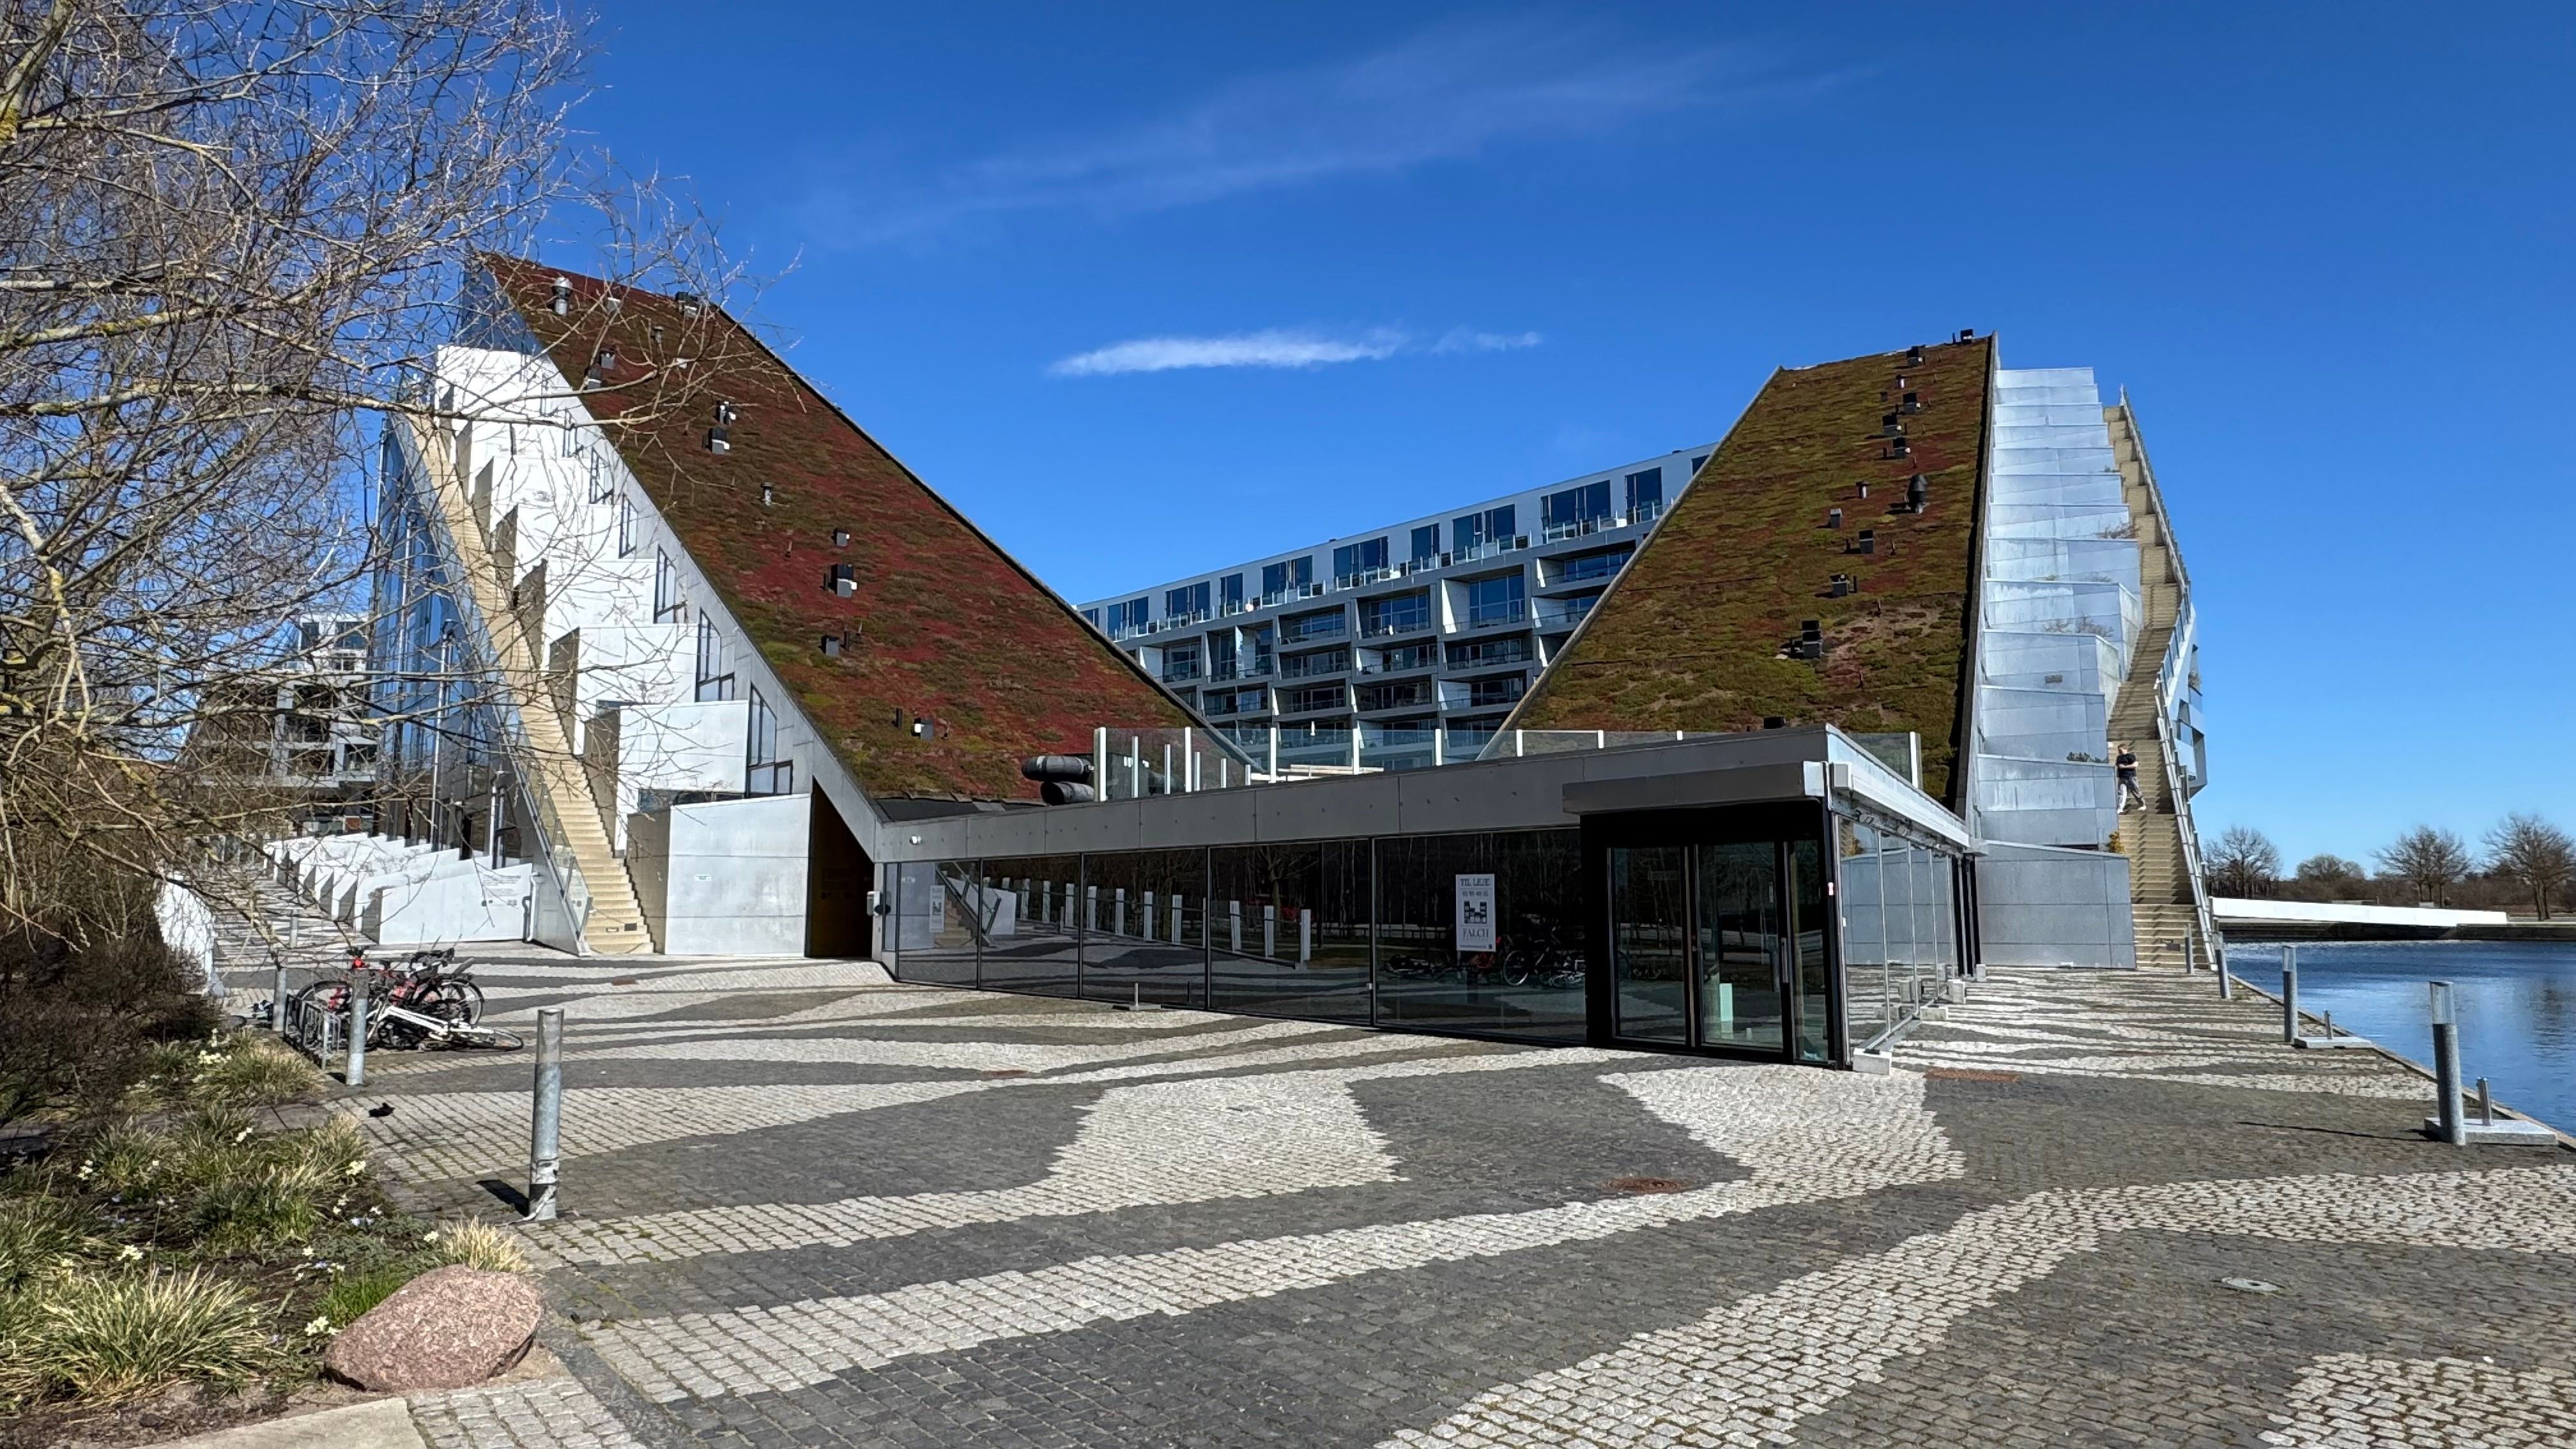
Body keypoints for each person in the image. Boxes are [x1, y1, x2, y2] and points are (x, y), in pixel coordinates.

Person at [2114, 742, 2143, 813]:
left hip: (2131, 777)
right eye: (2119, 751)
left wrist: (2125, 766)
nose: (2119, 752)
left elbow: (2135, 765)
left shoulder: (2131, 756)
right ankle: (2120, 808)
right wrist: (2126, 766)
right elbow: (2119, 766)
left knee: (2136, 791)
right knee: (2122, 793)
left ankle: (2142, 804)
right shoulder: (2119, 758)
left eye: (2121, 750)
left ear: (2125, 749)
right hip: (2122, 778)